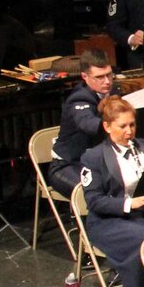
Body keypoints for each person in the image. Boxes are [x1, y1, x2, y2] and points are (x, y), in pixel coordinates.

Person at [76, 95, 144, 287]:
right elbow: (94, 201)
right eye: (122, 126)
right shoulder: (93, 158)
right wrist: (127, 204)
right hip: (108, 221)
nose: (129, 131)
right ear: (107, 127)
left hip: (143, 213)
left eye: (132, 125)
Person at [50, 50, 118, 192]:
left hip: (100, 163)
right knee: (94, 190)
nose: (107, 81)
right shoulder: (78, 98)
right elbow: (88, 124)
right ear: (84, 77)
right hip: (68, 165)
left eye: (109, 75)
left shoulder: (114, 91)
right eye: (99, 77)